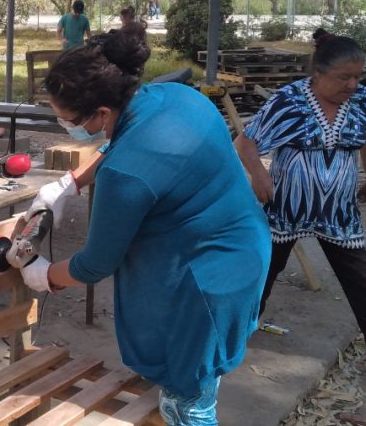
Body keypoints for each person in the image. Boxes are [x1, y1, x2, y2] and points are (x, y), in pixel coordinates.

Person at [19, 22, 270, 425]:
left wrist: (44, 275)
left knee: (187, 404)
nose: (66, 127)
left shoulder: (125, 176)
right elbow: (127, 142)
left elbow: (95, 264)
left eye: (67, 120)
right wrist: (69, 185)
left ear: (101, 113)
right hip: (245, 250)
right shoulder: (176, 97)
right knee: (202, 383)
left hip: (207, 285)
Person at [234, 30, 366, 336]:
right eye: (344, 77)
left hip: (339, 213)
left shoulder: (360, 101)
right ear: (318, 74)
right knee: (262, 273)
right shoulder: (290, 101)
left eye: (358, 76)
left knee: (360, 277)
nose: (353, 85)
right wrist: (260, 174)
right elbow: (245, 143)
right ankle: (237, 331)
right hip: (285, 209)